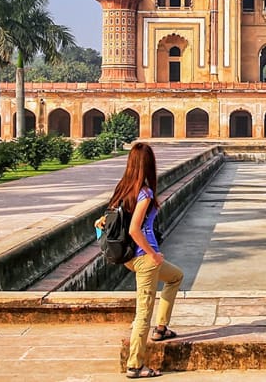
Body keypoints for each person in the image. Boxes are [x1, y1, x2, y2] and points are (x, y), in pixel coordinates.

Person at [102, 142, 183, 378]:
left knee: (176, 276)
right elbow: (134, 230)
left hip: (131, 257)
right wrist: (153, 254)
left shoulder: (124, 188)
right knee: (142, 313)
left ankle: (161, 328)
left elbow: (106, 219)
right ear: (149, 165)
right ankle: (135, 365)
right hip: (144, 259)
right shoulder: (144, 193)